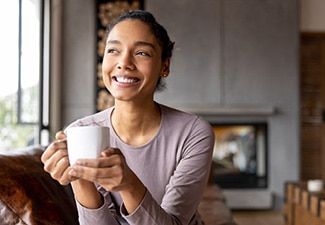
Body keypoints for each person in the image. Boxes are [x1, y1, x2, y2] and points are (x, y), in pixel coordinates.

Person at [41, 10, 214, 225]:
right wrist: (78, 176)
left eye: (142, 53)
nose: (124, 63)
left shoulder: (193, 133)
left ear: (165, 65)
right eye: (113, 50)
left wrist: (129, 184)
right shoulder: (82, 131)